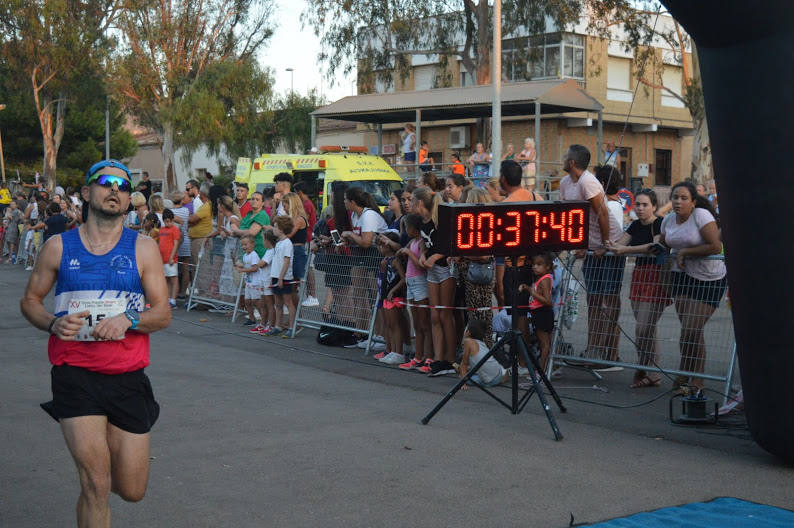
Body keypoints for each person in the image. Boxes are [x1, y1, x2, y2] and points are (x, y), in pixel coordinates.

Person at [19, 159, 170, 526]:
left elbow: (163, 313)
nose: (114, 189)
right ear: (87, 192)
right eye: (105, 182)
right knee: (96, 484)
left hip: (128, 377)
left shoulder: (143, 248)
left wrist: (129, 319)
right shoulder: (58, 247)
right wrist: (53, 324)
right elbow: (30, 301)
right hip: (75, 375)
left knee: (132, 489)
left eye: (121, 184)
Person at [659, 181, 726, 393]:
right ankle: (690, 377)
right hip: (681, 278)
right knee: (691, 332)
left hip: (709, 278)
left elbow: (715, 246)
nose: (678, 202)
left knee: (690, 329)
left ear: (693, 202)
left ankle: (692, 378)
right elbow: (662, 246)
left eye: (684, 198)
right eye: (675, 198)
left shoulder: (702, 216)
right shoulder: (668, 220)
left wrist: (685, 253)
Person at [559, 145, 621, 365]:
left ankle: (609, 352)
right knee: (593, 299)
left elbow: (602, 213)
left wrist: (605, 244)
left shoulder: (588, 182)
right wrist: (580, 243)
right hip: (590, 247)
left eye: (565, 157)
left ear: (573, 162)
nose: (562, 160)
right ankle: (592, 349)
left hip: (608, 245)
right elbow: (571, 217)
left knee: (608, 299)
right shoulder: (565, 183)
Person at [606, 189, 671, 388]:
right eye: (638, 205)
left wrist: (625, 250)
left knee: (643, 328)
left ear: (654, 206)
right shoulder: (634, 225)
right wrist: (605, 246)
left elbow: (655, 246)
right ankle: (654, 373)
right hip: (639, 277)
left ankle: (643, 368)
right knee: (647, 329)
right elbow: (619, 244)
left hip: (656, 277)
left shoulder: (659, 223)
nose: (641, 209)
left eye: (645, 205)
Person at [412, 187, 456, 377]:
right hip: (431, 271)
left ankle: (451, 358)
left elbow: (449, 244)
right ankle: (438, 358)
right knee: (435, 316)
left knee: (445, 315)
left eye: (412, 201)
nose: (410, 205)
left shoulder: (440, 220)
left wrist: (434, 257)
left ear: (419, 203)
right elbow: (424, 243)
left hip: (445, 269)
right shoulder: (422, 222)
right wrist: (423, 255)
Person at [397, 214, 432, 371]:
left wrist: (408, 253)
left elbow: (421, 265)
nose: (405, 230)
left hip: (420, 282)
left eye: (407, 227)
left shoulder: (421, 243)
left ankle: (429, 356)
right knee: (417, 324)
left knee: (425, 323)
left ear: (413, 228)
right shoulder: (412, 241)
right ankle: (418, 356)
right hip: (411, 282)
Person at [519, 253, 556, 371]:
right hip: (539, 313)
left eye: (539, 265)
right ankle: (544, 369)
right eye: (534, 264)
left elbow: (547, 301)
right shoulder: (541, 278)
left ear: (547, 267)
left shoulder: (545, 280)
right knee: (544, 344)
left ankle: (542, 371)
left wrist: (531, 291)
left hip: (543, 313)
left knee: (544, 345)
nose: (535, 267)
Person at [375, 231, 407, 365]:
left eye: (381, 245)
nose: (380, 248)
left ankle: (398, 352)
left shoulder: (395, 261)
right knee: (388, 324)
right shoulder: (385, 260)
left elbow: (403, 278)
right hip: (385, 295)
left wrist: (393, 290)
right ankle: (392, 350)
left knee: (395, 325)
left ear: (388, 246)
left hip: (394, 296)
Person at [455, 319, 507, 389]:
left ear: (468, 332)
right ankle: (503, 376)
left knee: (464, 376)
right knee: (474, 368)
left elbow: (464, 364)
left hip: (490, 381)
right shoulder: (482, 342)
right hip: (498, 374)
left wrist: (463, 383)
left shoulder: (468, 341)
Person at [268, 215, 296, 338]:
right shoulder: (279, 243)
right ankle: (278, 326)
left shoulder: (287, 243)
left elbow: (286, 261)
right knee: (278, 303)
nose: (273, 229)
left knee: (288, 302)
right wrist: (274, 276)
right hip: (276, 276)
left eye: (275, 226)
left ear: (281, 229)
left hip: (283, 277)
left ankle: (291, 328)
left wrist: (281, 277)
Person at [235, 234, 268, 335]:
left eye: (246, 244)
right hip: (249, 282)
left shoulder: (254, 255)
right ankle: (252, 318)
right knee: (247, 301)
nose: (244, 247)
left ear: (252, 244)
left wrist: (242, 270)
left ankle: (264, 319)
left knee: (255, 301)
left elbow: (254, 268)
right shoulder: (245, 256)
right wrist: (245, 278)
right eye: (243, 245)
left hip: (256, 282)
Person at [231, 191, 270, 258]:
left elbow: (251, 233)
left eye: (257, 199)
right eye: (252, 199)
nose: (254, 201)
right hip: (245, 253)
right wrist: (235, 232)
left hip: (257, 253)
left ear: (263, 203)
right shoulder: (249, 214)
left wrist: (235, 229)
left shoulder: (262, 215)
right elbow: (240, 232)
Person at [169, 191, 192, 301]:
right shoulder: (186, 211)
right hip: (186, 241)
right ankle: (183, 292)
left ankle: (174, 291)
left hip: (174, 243)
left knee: (174, 268)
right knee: (185, 267)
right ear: (182, 200)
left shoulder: (169, 212)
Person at [158, 208, 182, 308]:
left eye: (170, 221)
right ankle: (167, 299)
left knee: (173, 279)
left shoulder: (175, 230)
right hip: (163, 259)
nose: (168, 223)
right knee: (166, 279)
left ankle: (173, 300)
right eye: (166, 221)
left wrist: (172, 257)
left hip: (171, 259)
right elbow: (160, 243)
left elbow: (176, 244)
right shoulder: (162, 229)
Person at [187, 182, 213, 264]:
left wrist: (190, 219)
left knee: (198, 266)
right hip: (199, 239)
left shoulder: (207, 205)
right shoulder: (206, 204)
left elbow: (192, 219)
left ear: (202, 193)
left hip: (200, 240)